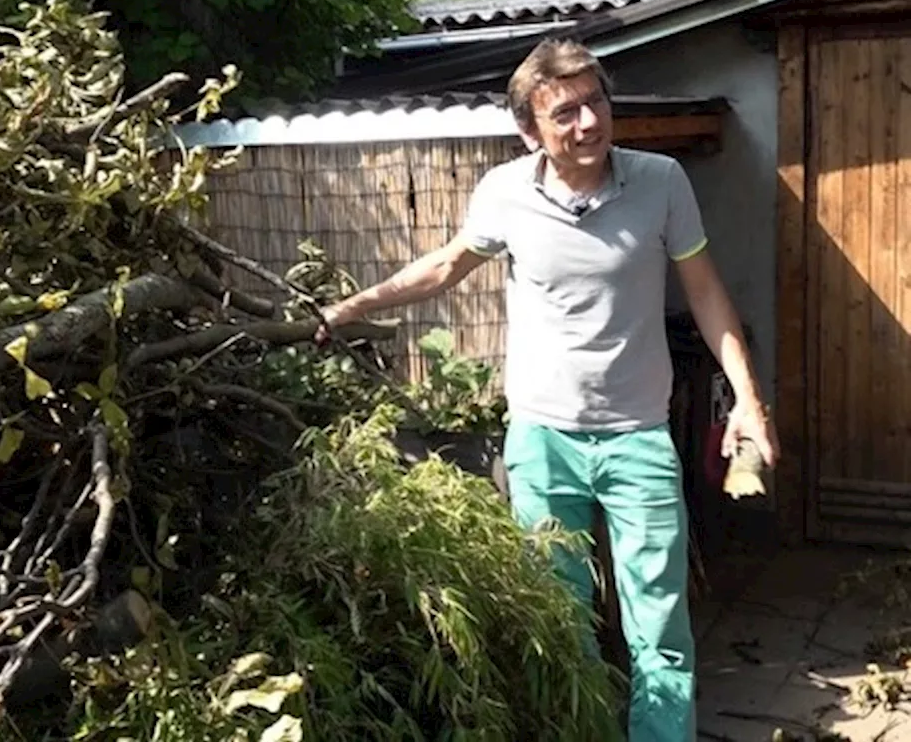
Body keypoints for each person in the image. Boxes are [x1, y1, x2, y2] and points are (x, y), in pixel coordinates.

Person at [315, 38, 779, 742]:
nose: (589, 122)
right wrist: (354, 306)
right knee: (560, 623)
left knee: (659, 626)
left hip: (638, 439)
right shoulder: (503, 192)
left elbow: (708, 293)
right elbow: (445, 266)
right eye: (566, 112)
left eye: (596, 102)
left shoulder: (661, 182)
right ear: (530, 130)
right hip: (541, 442)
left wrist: (746, 397)